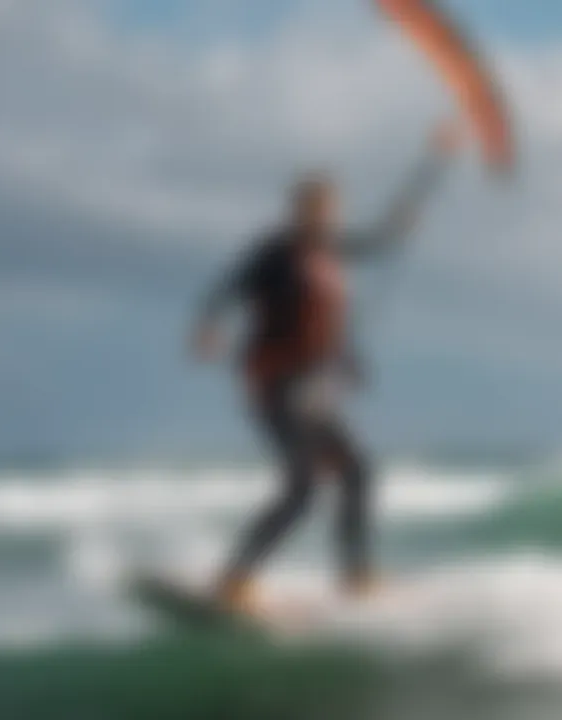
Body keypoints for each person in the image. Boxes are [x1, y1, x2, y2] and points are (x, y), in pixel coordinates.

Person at [192, 121, 462, 611]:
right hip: (275, 385)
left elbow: (382, 239)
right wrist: (209, 325)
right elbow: (229, 285)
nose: (326, 218)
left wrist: (431, 163)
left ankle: (355, 574)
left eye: (331, 211)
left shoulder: (331, 250)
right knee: (302, 489)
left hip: (314, 391)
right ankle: (234, 578)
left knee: (358, 472)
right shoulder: (276, 252)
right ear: (299, 212)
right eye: (316, 210)